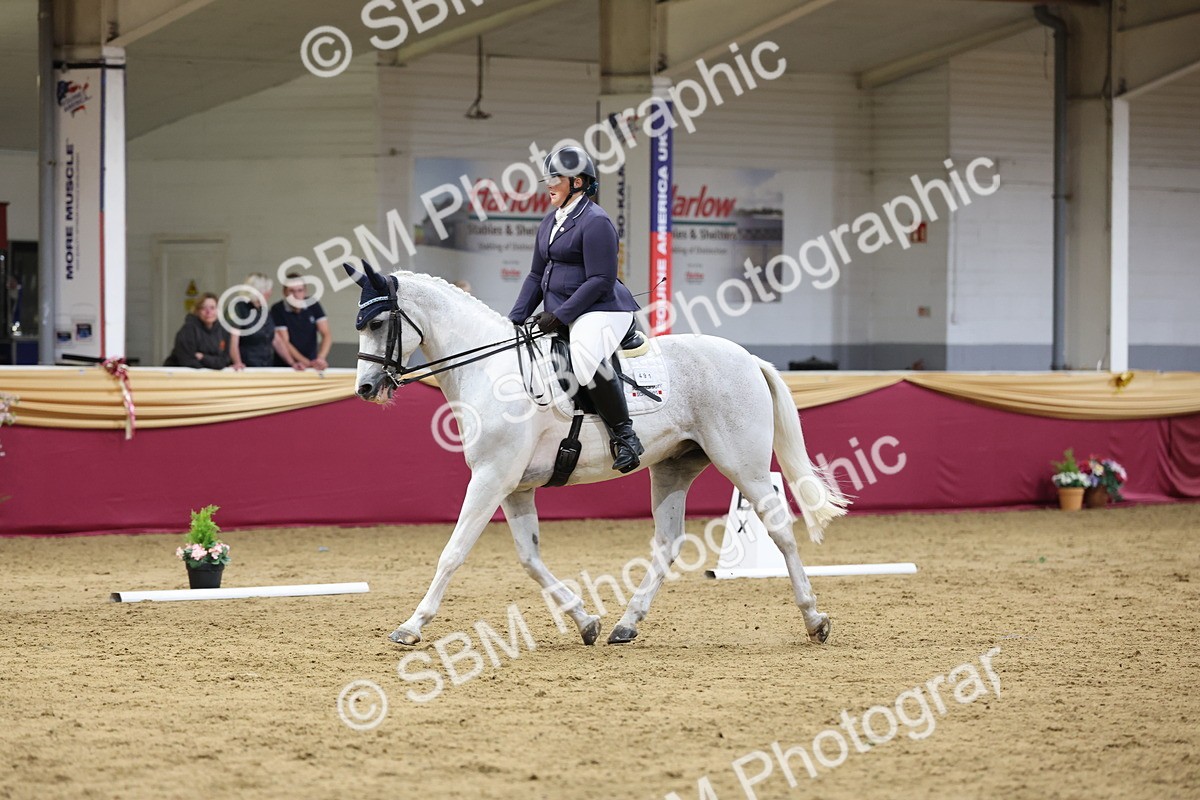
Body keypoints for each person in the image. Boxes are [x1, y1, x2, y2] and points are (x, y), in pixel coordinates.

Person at [507, 146, 644, 473]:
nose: (549, 185)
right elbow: (536, 275)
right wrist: (513, 318)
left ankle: (626, 437)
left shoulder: (596, 222)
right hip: (569, 310)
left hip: (603, 308)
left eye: (556, 178)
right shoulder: (550, 222)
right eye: (548, 178)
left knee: (583, 359)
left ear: (579, 182)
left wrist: (561, 315)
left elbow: (601, 278)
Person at [270, 273, 331, 370]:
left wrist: (320, 358)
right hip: (287, 366)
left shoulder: (313, 304)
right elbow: (284, 341)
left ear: (305, 291)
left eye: (300, 290)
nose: (296, 295)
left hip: (312, 364)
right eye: (291, 291)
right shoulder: (277, 309)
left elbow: (326, 334)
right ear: (284, 292)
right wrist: (307, 363)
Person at [164, 292, 231, 369]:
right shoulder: (188, 330)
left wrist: (203, 357)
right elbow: (187, 361)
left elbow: (224, 361)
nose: (208, 312)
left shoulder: (223, 331)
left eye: (212, 308)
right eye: (203, 308)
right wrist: (213, 364)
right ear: (197, 311)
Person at [229, 273, 276, 370]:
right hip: (247, 367)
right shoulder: (239, 308)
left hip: (267, 365)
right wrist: (238, 363)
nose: (270, 293)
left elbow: (275, 339)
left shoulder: (264, 310)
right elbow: (232, 340)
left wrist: (292, 362)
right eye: (268, 290)